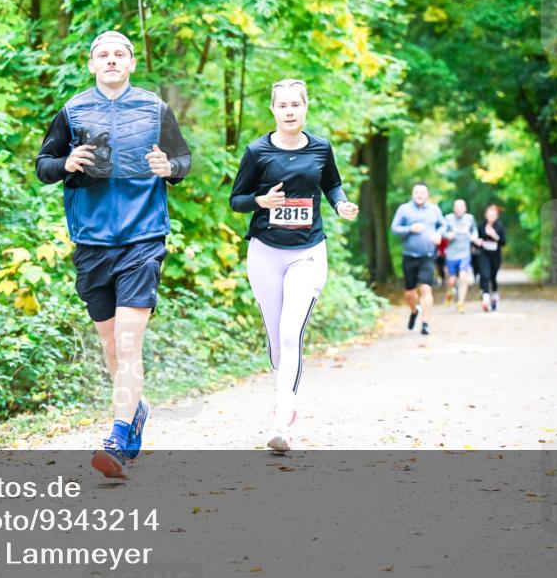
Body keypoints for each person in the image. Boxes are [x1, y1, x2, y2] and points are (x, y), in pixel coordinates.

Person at [35, 31, 192, 478]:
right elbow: (43, 166)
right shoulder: (72, 111)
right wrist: (65, 163)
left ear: (131, 63)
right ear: (91, 64)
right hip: (91, 241)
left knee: (127, 342)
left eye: (119, 54)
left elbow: (182, 160)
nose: (110, 60)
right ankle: (135, 410)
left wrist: (170, 168)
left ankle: (117, 438)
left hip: (143, 237)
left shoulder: (154, 108)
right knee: (110, 347)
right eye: (102, 55)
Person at [229, 78, 359, 452]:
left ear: (305, 107)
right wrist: (260, 202)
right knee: (276, 341)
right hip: (265, 252)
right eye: (283, 105)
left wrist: (340, 204)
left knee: (290, 334)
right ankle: (285, 394)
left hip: (308, 252)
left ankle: (281, 420)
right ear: (273, 110)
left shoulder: (320, 148)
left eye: (295, 105)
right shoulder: (257, 151)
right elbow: (236, 200)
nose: (289, 111)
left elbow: (332, 184)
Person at [390, 183, 446, 335]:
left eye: (422, 192)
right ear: (412, 194)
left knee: (426, 288)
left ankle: (425, 323)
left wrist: (438, 234)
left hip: (428, 255)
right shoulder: (404, 209)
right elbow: (394, 229)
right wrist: (410, 229)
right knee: (410, 293)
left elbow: (443, 225)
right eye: (417, 192)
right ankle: (414, 310)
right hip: (409, 256)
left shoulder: (434, 209)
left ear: (427, 194)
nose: (419, 195)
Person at [443, 199, 479, 313]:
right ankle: (449, 292)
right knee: (451, 280)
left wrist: (474, 237)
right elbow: (442, 232)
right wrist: (447, 235)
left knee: (464, 277)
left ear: (465, 208)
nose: (459, 209)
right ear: (454, 209)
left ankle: (461, 303)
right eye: (457, 207)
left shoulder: (470, 218)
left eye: (461, 207)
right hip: (451, 254)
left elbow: (475, 231)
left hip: (465, 253)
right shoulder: (448, 218)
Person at [476, 204, 507, 311]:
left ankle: (494, 295)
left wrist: (495, 235)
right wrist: (478, 242)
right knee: (485, 275)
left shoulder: (499, 226)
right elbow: (476, 239)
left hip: (495, 255)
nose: (491, 218)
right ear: (486, 215)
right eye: (489, 215)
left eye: (493, 216)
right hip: (484, 254)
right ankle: (485, 299)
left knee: (493, 277)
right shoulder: (481, 226)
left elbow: (503, 242)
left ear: (497, 216)